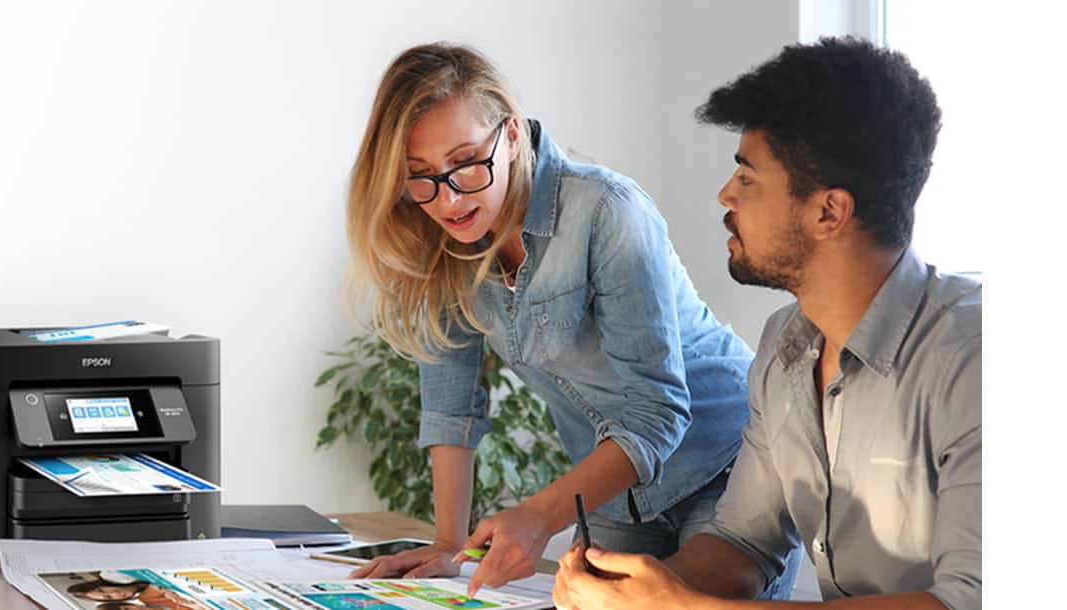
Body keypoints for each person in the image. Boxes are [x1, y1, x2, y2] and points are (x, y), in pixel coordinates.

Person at [341, 42, 801, 599]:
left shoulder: (605, 210)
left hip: (725, 469)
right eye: (421, 176)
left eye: (465, 163)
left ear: (511, 135)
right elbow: (450, 408)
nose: (448, 197)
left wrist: (538, 515)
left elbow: (657, 410)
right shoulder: (441, 246)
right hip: (612, 497)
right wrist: (446, 545)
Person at [552, 37, 981, 609]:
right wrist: (636, 590)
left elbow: (966, 602)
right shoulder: (785, 347)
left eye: (748, 180)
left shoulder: (972, 356)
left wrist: (682, 606)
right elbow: (741, 544)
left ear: (829, 211)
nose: (726, 195)